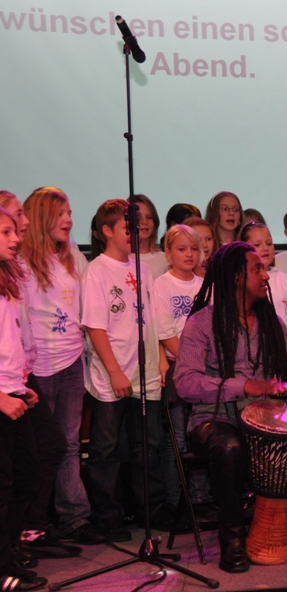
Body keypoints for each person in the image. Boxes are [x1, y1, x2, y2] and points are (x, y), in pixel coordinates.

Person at [175, 242, 287, 572]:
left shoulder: (271, 322)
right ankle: (232, 538)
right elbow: (185, 382)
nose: (266, 276)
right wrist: (245, 386)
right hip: (215, 419)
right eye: (257, 269)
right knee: (230, 447)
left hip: (267, 419)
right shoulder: (201, 323)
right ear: (236, 277)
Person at [18, 188, 104, 545]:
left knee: (68, 443)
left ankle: (74, 518)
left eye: (69, 213)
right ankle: (33, 522)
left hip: (70, 361)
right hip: (37, 366)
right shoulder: (21, 262)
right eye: (61, 213)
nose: (69, 220)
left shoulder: (72, 256)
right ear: (41, 218)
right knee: (41, 446)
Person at [81, 199, 166, 542]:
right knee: (106, 448)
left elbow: (152, 320)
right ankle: (106, 514)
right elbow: (95, 326)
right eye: (126, 227)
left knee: (147, 445)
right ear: (106, 231)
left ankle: (150, 509)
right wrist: (115, 371)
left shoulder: (142, 268)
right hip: (112, 373)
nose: (134, 231)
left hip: (145, 370)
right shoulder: (97, 271)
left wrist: (160, 359)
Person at [0, 205, 50, 592]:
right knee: (3, 485)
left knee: (26, 479)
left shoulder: (6, 280)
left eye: (14, 231)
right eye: (6, 232)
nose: (17, 238)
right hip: (2, 400)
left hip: (13, 391)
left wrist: (20, 383)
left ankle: (8, 553)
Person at [152, 224, 205, 517]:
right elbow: (164, 331)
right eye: (181, 249)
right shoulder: (163, 284)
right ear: (168, 252)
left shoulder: (204, 285)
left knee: (200, 434)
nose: (189, 254)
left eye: (194, 249)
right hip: (179, 368)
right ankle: (176, 502)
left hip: (204, 371)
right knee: (178, 440)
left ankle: (200, 500)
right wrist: (190, 361)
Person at [240, 221, 287, 351]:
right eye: (257, 244)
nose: (265, 248)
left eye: (269, 243)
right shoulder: (238, 281)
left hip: (282, 355)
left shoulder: (286, 281)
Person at [134, 194, 167, 278]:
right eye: (138, 217)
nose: (144, 222)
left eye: (149, 217)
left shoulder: (165, 260)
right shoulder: (122, 259)